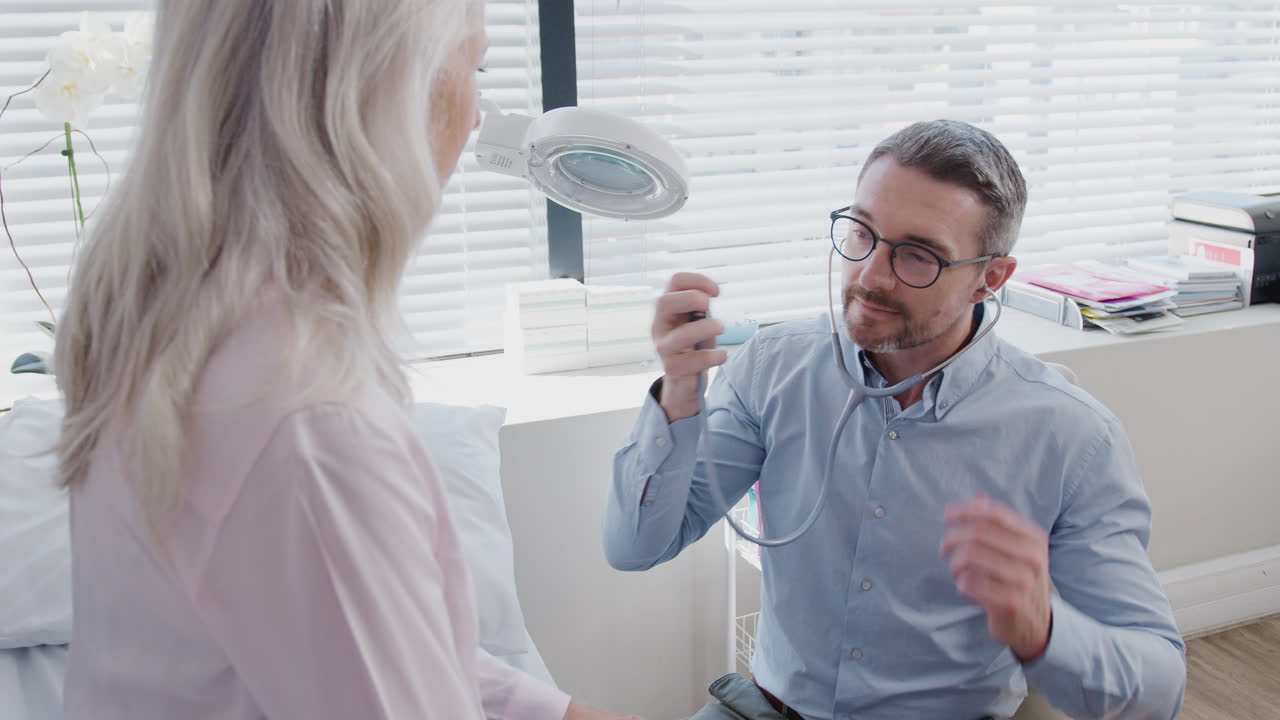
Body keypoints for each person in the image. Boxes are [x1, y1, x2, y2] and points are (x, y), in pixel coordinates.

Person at [54, 2, 638, 719]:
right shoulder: (310, 431)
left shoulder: (172, 324)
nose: (478, 116)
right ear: (396, 92)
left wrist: (563, 715)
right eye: (475, 67)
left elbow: (346, 635)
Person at [604, 120, 1187, 720]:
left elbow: (1159, 693)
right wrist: (678, 395)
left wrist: (1043, 629)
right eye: (861, 233)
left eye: (919, 255)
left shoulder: (1072, 437)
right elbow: (634, 547)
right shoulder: (774, 367)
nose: (871, 276)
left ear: (990, 278)